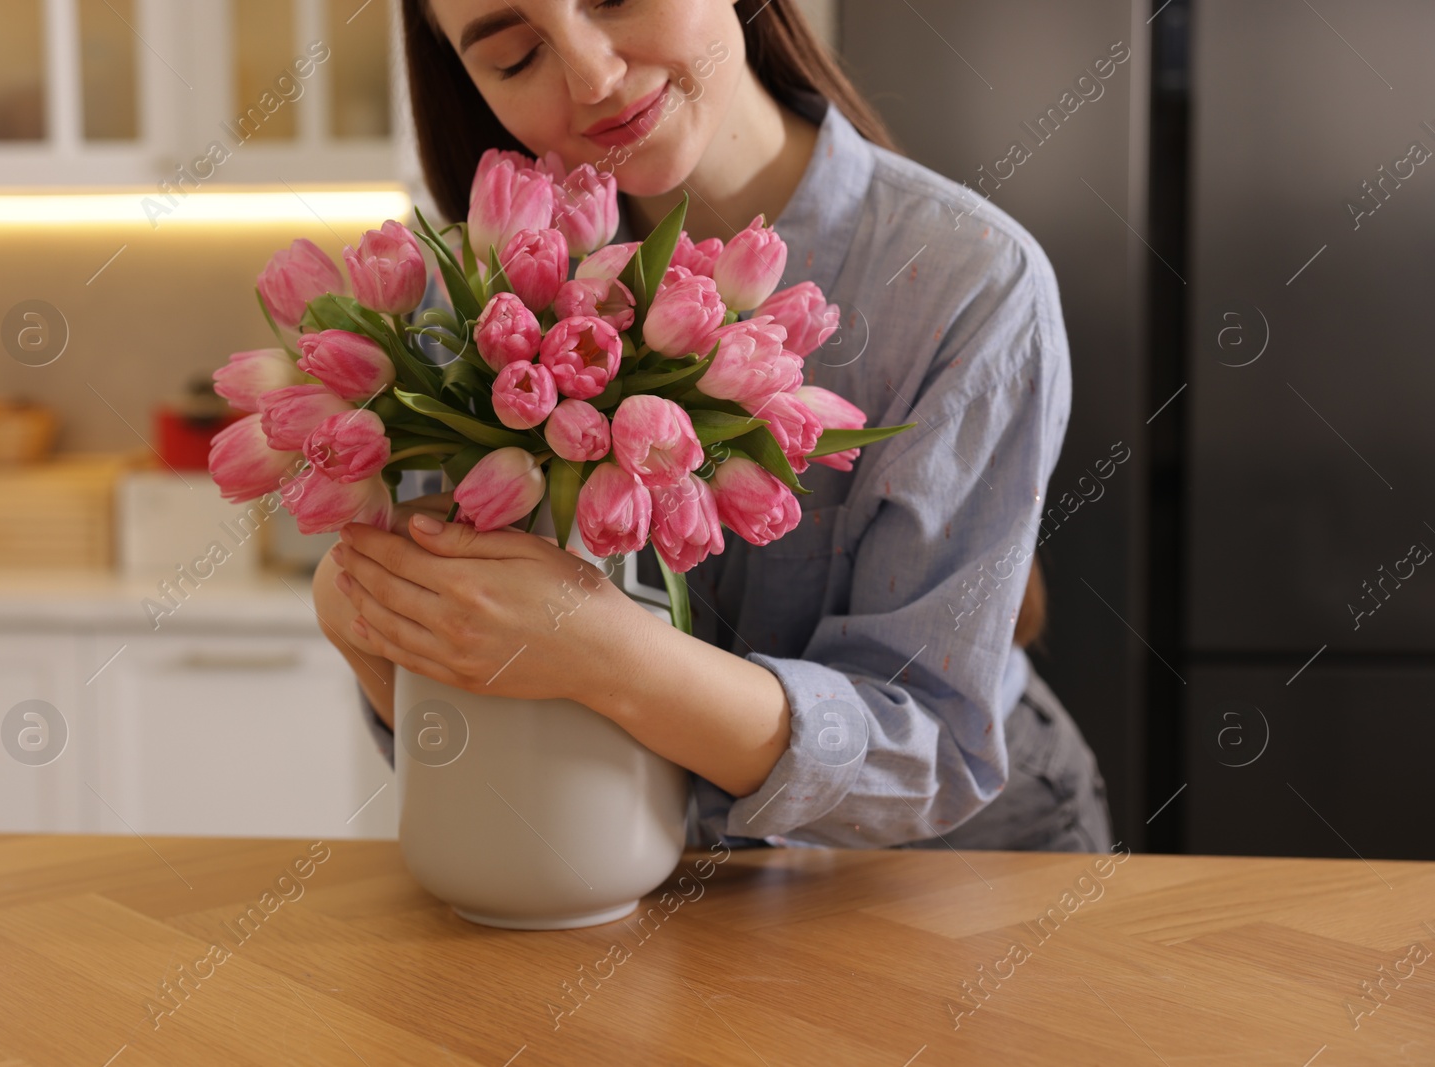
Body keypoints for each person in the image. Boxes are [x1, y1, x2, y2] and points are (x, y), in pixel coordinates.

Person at [313, 0, 1112, 852]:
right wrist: (375, 627)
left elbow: (934, 752)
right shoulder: (472, 295)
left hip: (955, 883)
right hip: (633, 877)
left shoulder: (967, 280)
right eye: (515, 57)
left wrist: (606, 653)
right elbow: (486, 717)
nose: (593, 77)